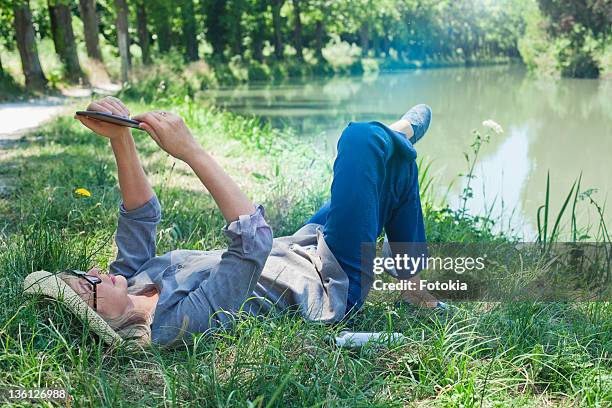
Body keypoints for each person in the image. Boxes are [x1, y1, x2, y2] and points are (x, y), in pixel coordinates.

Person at [62, 96, 435, 346]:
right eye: (87, 285)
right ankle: (399, 135)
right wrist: (190, 150)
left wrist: (120, 137)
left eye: (81, 272)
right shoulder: (179, 323)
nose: (93, 270)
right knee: (363, 140)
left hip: (300, 246)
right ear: (104, 323)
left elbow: (140, 217)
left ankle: (398, 145)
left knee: (383, 172)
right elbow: (251, 243)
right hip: (331, 278)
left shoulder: (132, 283)